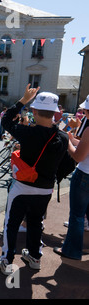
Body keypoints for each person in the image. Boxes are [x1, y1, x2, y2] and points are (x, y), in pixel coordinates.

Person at [0, 85, 69, 275]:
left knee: (12, 223)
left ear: (34, 110)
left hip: (22, 187)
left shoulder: (27, 132)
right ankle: (35, 257)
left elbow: (6, 120)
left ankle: (7, 260)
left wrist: (22, 100)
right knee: (36, 222)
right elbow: (67, 164)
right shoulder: (62, 137)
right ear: (55, 112)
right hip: (45, 189)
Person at [54, 97, 89, 260]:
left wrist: (68, 142)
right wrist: (72, 138)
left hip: (85, 175)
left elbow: (78, 156)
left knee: (77, 215)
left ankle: (71, 251)